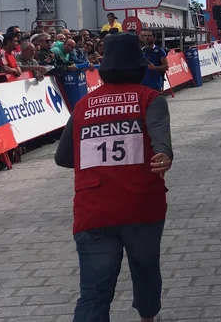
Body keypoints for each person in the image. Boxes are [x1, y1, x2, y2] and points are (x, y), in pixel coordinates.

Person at [54, 33, 173, 322]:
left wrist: (97, 165)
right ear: (140, 66)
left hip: (93, 209)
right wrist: (163, 155)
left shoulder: (83, 105)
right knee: (145, 271)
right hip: (141, 205)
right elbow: (159, 137)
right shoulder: (150, 98)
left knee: (93, 293)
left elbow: (63, 157)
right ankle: (148, 318)